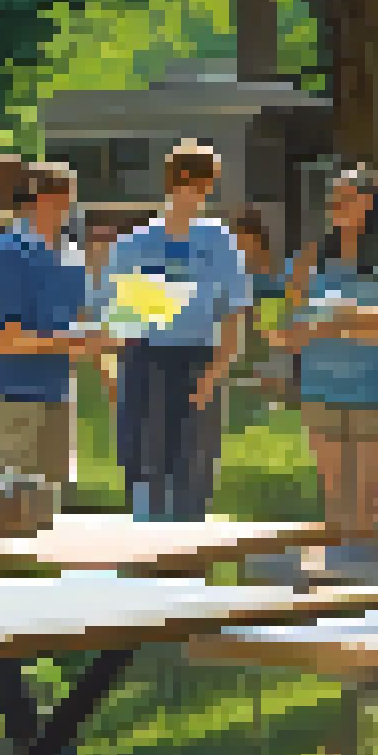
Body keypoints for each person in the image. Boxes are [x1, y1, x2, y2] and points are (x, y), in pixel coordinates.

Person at [94, 141, 250, 522]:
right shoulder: (136, 244)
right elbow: (121, 321)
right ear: (170, 183)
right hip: (145, 358)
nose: (191, 192)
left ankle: (188, 558)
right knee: (143, 463)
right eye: (184, 181)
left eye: (199, 183)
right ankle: (145, 552)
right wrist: (113, 372)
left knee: (193, 468)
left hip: (199, 357)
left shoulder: (220, 242)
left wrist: (215, 373)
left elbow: (234, 314)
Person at [269, 166, 378, 563]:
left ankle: (367, 582)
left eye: (347, 198)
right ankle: (333, 584)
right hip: (321, 390)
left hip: (376, 391)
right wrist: (344, 322)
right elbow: (284, 332)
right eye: (333, 200)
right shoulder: (308, 262)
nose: (337, 207)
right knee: (334, 498)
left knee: (367, 499)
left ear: (369, 204)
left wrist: (336, 322)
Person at [0, 163, 112, 517]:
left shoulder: (71, 256)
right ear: (34, 201)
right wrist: (73, 340)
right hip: (11, 399)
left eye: (68, 201)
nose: (67, 210)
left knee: (45, 518)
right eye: (59, 201)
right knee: (7, 520)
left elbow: (83, 319)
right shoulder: (5, 254)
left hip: (57, 397)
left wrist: (108, 365)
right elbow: (4, 341)